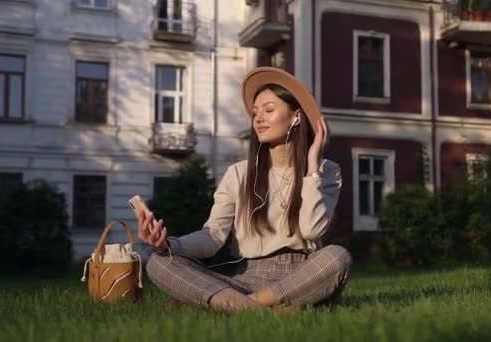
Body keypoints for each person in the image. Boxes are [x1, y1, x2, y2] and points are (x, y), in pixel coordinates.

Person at [138, 67, 352, 312]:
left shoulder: (326, 171)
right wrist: (167, 246)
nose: (258, 119)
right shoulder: (238, 173)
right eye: (255, 113)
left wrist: (312, 165)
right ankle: (268, 307)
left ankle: (226, 305)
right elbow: (212, 237)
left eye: (269, 110)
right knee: (159, 263)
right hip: (244, 280)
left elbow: (311, 231)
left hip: (300, 276)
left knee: (337, 257)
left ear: (296, 117)